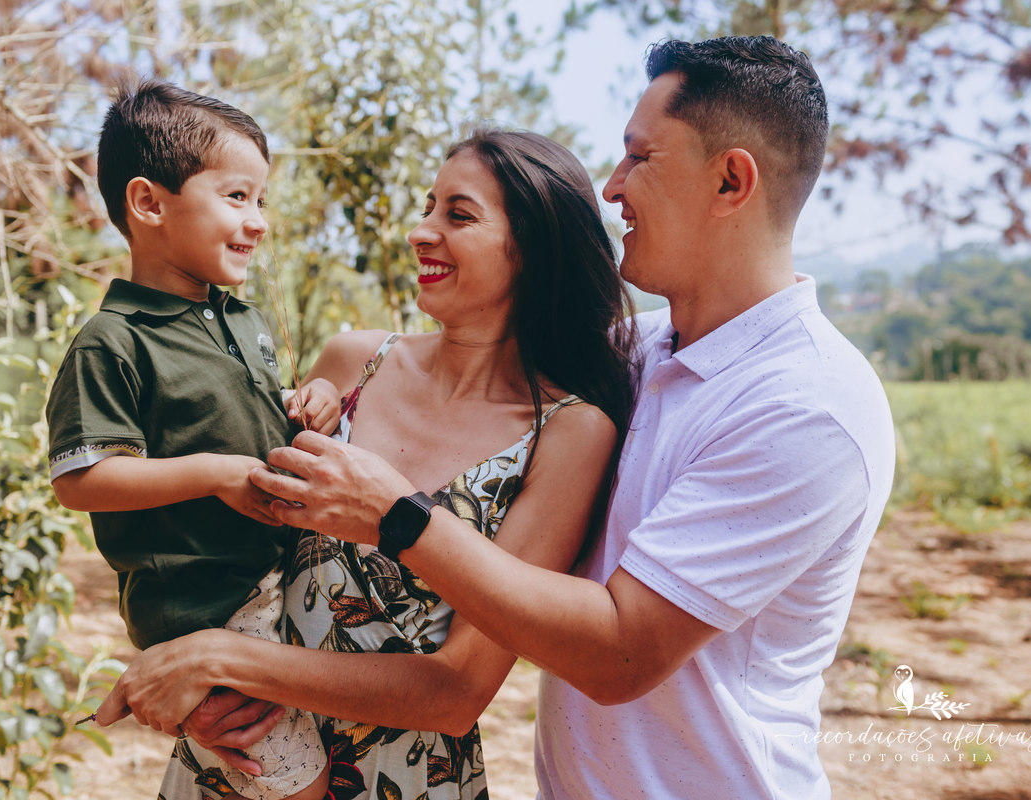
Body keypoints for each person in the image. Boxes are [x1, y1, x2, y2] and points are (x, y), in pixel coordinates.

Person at [138, 36, 897, 799]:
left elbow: (618, 651)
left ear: (731, 179)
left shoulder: (805, 407)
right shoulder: (637, 359)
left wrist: (393, 518)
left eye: (640, 158)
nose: (612, 185)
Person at [93, 128, 641, 800]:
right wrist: (209, 688)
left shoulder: (569, 432)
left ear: (532, 249)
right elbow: (233, 537)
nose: (420, 232)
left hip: (404, 779)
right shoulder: (352, 363)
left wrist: (225, 661)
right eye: (427, 207)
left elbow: (458, 690)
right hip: (245, 755)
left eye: (458, 215)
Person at [45, 80, 342, 800]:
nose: (260, 221)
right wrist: (212, 473)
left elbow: (246, 415)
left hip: (278, 585)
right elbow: (81, 478)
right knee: (300, 782)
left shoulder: (241, 321)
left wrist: (310, 404)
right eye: (237, 197)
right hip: (209, 611)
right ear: (148, 203)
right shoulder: (112, 341)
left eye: (261, 200)